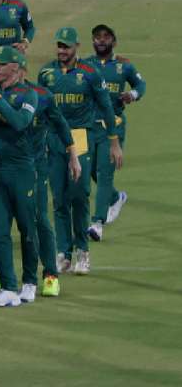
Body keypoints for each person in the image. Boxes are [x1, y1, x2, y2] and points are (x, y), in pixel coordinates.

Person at [38, 28, 121, 275]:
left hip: (80, 138)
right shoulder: (46, 73)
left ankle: (82, 251)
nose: (62, 51)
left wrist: (114, 141)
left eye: (67, 47)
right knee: (60, 198)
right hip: (53, 139)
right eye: (59, 46)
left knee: (79, 195)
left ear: (76, 46)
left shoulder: (89, 74)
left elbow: (106, 106)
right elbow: (41, 110)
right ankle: (63, 252)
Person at [0, 46, 39, 307]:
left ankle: (30, 282)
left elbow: (20, 122)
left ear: (16, 67)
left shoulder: (29, 95)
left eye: (1, 64)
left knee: (26, 229)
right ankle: (8, 287)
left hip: (21, 172)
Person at [23, 61, 81, 299]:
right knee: (2, 224)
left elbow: (60, 124)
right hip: (3, 169)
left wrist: (73, 155)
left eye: (2, 65)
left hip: (35, 168)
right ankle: (4, 275)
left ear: (19, 69)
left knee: (38, 220)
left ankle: (50, 275)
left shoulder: (42, 96)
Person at [83, 24, 146, 240]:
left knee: (104, 173)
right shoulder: (86, 65)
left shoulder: (123, 66)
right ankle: (115, 198)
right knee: (89, 170)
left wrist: (133, 95)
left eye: (106, 37)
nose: (101, 40)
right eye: (97, 37)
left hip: (113, 126)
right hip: (89, 126)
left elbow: (141, 84)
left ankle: (97, 223)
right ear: (92, 41)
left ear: (113, 41)